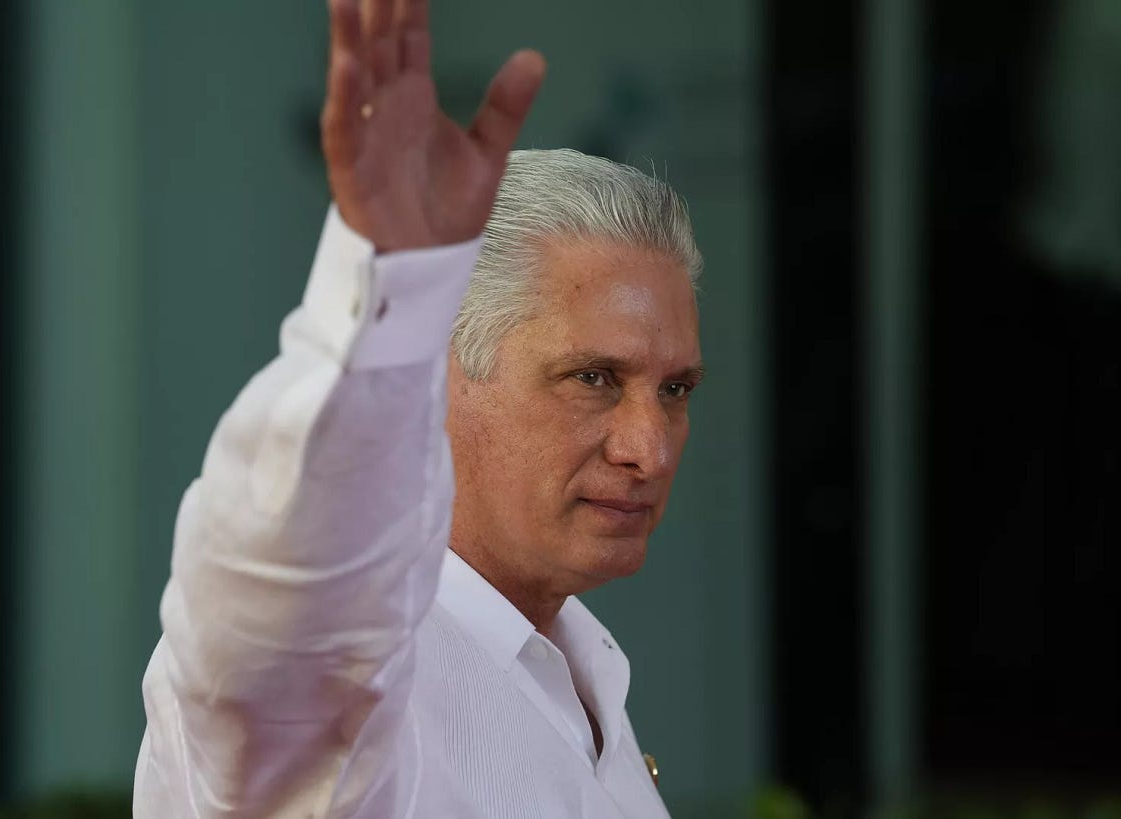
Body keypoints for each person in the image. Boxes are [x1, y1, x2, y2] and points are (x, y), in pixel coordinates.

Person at [134, 0, 703, 815]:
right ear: (438, 372)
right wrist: (380, 299)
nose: (648, 447)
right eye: (594, 379)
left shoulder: (574, 655)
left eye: (675, 389)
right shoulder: (340, 666)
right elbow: (273, 590)